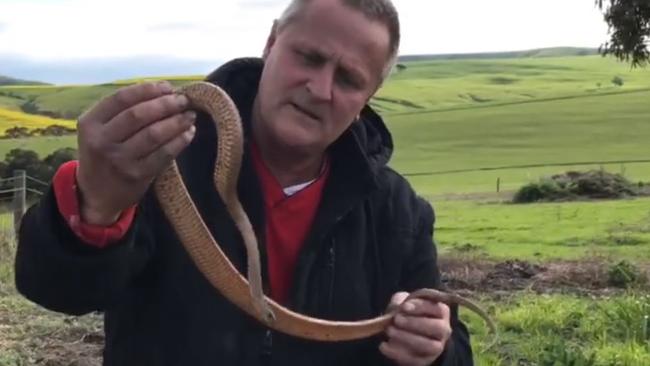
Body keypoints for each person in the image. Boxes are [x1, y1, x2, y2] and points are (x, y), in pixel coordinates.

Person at [14, 0, 474, 364]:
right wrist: (96, 204)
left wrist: (435, 349)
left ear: (368, 98)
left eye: (349, 79)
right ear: (271, 44)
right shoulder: (160, 159)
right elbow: (58, 291)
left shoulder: (398, 210)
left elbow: (450, 351)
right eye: (308, 57)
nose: (319, 88)